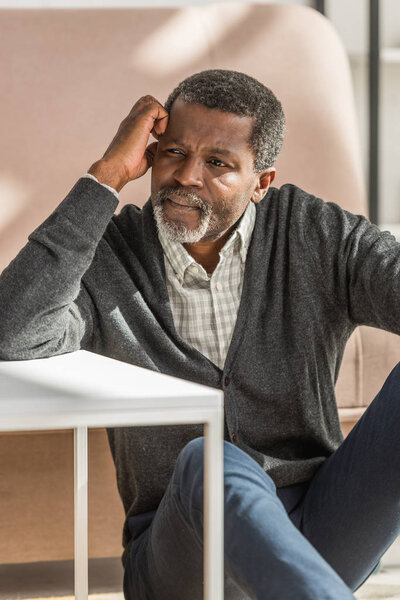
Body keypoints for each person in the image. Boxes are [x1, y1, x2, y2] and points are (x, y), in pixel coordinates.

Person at [1, 69, 400, 600]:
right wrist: (106, 177)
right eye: (172, 153)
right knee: (209, 458)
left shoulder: (315, 235)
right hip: (180, 559)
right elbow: (13, 330)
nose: (187, 176)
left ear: (261, 183)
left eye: (217, 162)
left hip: (317, 532)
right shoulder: (108, 254)